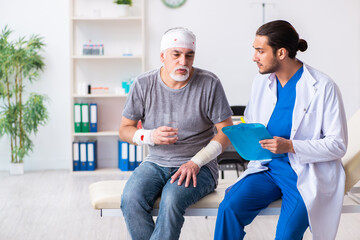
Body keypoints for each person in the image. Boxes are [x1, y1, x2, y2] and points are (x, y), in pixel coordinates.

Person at [214, 20, 348, 240]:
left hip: (304, 173)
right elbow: (251, 120)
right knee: (229, 208)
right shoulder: (261, 83)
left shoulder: (323, 87)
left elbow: (338, 145)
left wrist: (290, 146)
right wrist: (245, 134)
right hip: (267, 169)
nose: (254, 57)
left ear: (281, 53)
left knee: (286, 235)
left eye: (260, 51)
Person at [119, 27, 233, 240]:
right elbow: (124, 130)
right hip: (155, 161)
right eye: (176, 55)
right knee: (131, 199)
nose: (183, 62)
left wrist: (196, 162)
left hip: (199, 166)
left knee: (171, 200)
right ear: (162, 56)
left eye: (189, 56)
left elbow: (226, 132)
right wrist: (149, 136)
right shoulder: (143, 84)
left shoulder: (209, 83)